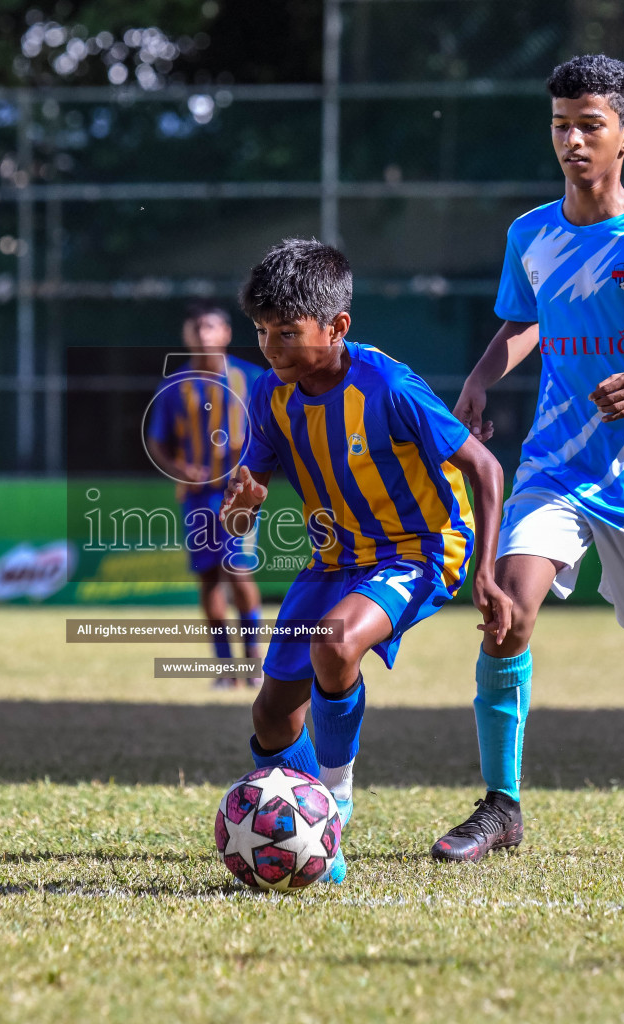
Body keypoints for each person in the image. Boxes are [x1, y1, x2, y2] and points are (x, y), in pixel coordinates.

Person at [433, 54, 624, 864]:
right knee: (507, 612)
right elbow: (523, 320)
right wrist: (477, 381)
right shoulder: (530, 234)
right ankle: (501, 807)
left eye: (589, 125)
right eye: (561, 125)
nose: (571, 139)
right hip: (554, 468)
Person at [219, 238, 511, 883]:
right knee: (271, 716)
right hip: (334, 557)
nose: (271, 346)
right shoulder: (270, 396)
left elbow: (485, 468)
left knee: (335, 643)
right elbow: (243, 511)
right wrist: (242, 504)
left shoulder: (388, 386)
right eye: (263, 331)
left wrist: (487, 572)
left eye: (288, 332)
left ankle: (335, 799)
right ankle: (312, 839)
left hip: (421, 548)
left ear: (337, 326)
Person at [144, 302, 265, 687]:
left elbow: (272, 434)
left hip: (238, 495)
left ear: (227, 333)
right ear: (186, 334)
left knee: (240, 572)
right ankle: (225, 669)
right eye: (196, 327)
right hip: (196, 496)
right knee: (209, 578)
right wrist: (179, 469)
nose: (203, 334)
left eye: (211, 326)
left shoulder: (253, 379)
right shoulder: (174, 385)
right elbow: (157, 441)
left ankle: (254, 662)